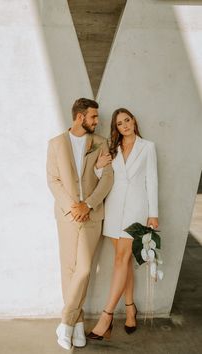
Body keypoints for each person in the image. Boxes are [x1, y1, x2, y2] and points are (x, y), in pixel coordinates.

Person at [46, 98, 113, 349]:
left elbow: (107, 178)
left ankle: (65, 321)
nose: (98, 121)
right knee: (70, 269)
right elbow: (53, 180)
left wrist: (90, 204)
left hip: (92, 214)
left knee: (84, 268)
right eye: (94, 117)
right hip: (67, 215)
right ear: (79, 117)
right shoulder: (55, 144)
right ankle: (78, 322)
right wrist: (72, 207)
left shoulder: (100, 143)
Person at [87, 108, 158, 340]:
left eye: (127, 120)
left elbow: (152, 181)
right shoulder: (113, 148)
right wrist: (99, 166)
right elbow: (104, 177)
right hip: (114, 208)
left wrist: (153, 213)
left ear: (134, 121)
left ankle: (106, 316)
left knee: (121, 259)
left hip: (137, 210)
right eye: (119, 123)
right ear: (116, 128)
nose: (124, 125)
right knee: (123, 262)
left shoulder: (147, 147)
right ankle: (130, 308)